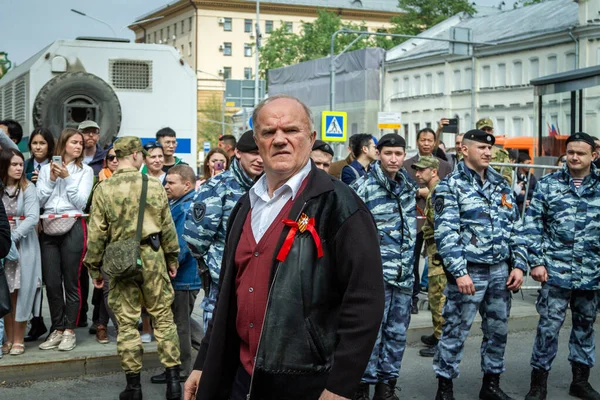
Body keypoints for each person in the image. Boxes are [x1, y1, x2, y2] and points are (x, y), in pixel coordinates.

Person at [184, 95, 384, 400]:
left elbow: (365, 301)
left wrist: (341, 386)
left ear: (311, 138)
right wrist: (204, 364)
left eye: (291, 130)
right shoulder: (245, 205)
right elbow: (227, 296)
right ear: (257, 141)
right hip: (242, 379)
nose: (280, 140)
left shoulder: (341, 207)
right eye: (268, 132)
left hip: (305, 384)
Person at [84, 137, 182, 400]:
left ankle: (133, 387)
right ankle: (174, 383)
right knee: (163, 318)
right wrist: (172, 258)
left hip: (120, 261)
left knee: (126, 324)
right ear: (137, 156)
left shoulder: (103, 188)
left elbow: (96, 235)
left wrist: (94, 268)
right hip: (152, 256)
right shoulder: (154, 185)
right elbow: (167, 226)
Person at [432, 129, 527, 400]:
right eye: (481, 148)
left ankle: (491, 385)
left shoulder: (501, 184)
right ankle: (445, 389)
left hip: (500, 271)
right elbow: (446, 234)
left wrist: (519, 264)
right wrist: (459, 272)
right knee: (455, 331)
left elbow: (516, 227)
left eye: (490, 149)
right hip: (469, 272)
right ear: (464, 150)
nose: (487, 152)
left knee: (497, 331)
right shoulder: (450, 186)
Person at [523, 132, 600, 400]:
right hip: (555, 272)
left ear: (594, 155)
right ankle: (538, 384)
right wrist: (536, 261)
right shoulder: (548, 185)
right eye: (571, 152)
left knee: (585, 327)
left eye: (581, 153)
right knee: (548, 328)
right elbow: (532, 224)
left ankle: (580, 381)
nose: (575, 157)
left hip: (591, 273)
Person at [350, 133, 417, 400]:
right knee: (371, 336)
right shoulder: (363, 188)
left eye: (398, 154)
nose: (393, 158)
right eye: (388, 153)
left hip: (403, 277)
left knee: (397, 335)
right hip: (373, 278)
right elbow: (352, 235)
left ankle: (386, 387)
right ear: (377, 154)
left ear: (404, 156)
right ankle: (362, 388)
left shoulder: (408, 188)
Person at [183, 130, 263, 333]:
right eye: (253, 153)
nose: (260, 159)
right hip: (224, 282)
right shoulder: (217, 187)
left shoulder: (267, 186)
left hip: (257, 281)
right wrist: (216, 267)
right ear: (237, 153)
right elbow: (195, 238)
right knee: (217, 345)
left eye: (263, 153)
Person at [36, 128, 94, 352]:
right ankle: (57, 329)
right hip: (49, 227)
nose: (79, 146)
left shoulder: (85, 171)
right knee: (51, 282)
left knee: (72, 281)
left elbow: (80, 202)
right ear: (63, 144)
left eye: (80, 143)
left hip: (73, 226)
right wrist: (51, 179)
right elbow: (39, 199)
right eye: (74, 142)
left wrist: (67, 178)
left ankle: (69, 330)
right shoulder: (44, 169)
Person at [149, 164, 201, 385]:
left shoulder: (186, 207)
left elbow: (180, 245)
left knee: (179, 324)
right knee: (183, 321)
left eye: (171, 183)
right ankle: (211, 351)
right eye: (166, 182)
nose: (166, 186)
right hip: (182, 276)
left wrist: (167, 267)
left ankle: (181, 370)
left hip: (183, 277)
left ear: (187, 184)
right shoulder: (177, 203)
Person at [403, 127, 452, 315]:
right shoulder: (407, 165)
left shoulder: (444, 165)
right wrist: (418, 192)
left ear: (435, 142)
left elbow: (449, 189)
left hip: (436, 221)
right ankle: (413, 297)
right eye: (422, 140)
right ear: (417, 141)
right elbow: (403, 189)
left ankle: (439, 302)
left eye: (429, 140)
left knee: (436, 263)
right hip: (414, 219)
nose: (426, 143)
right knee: (412, 260)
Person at [0, 149, 42, 356]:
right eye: (14, 164)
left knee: (23, 291)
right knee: (6, 293)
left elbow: (33, 217)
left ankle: (19, 339)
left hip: (24, 245)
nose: (18, 168)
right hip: (3, 246)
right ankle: (7, 339)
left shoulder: (29, 188)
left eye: (20, 164)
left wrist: (12, 238)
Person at [412, 156, 445, 358]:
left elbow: (440, 224)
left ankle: (442, 341)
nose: (417, 174)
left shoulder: (439, 193)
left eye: (421, 170)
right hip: (434, 250)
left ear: (433, 171)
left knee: (438, 296)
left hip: (439, 253)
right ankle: (437, 333)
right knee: (435, 295)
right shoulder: (434, 192)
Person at [476, 118, 513, 185]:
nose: (486, 132)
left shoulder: (501, 154)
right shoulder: (469, 152)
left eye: (489, 130)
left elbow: (507, 178)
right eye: (483, 130)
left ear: (492, 132)